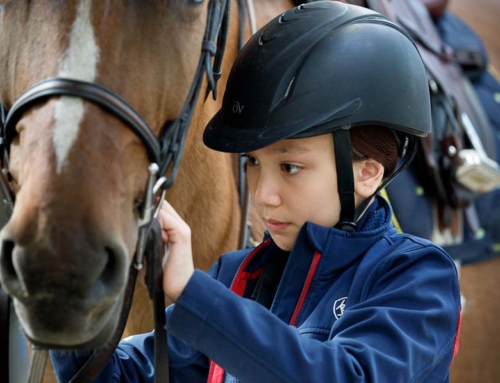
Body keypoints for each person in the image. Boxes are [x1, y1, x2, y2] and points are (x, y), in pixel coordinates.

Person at [51, 2, 461, 382]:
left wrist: (196, 296)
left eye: (290, 167)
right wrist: (67, 289)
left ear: (367, 173)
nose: (264, 195)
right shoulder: (234, 276)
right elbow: (120, 376)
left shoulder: (417, 278)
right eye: (253, 164)